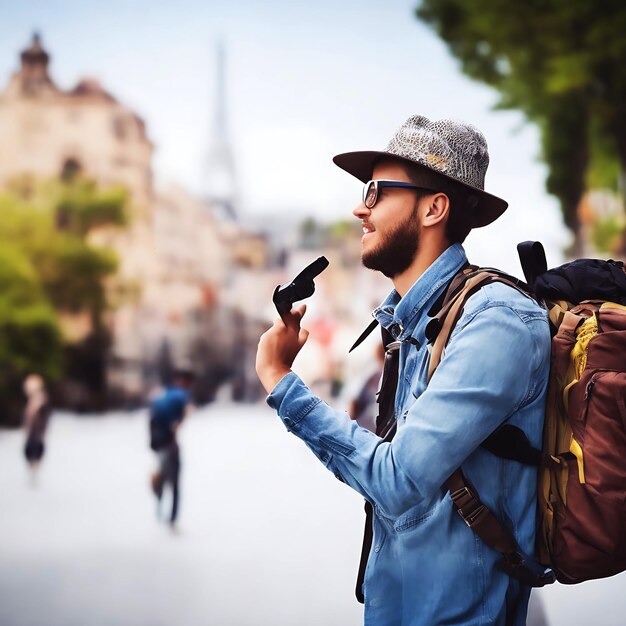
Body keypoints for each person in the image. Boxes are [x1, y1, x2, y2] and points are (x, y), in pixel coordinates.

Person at [256, 115, 551, 625]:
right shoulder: (412, 324)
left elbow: (396, 480)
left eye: (375, 192)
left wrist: (283, 384)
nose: (359, 207)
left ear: (434, 207)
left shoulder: (497, 322)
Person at [149, 369, 193, 528]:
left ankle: (160, 508)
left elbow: (153, 411)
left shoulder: (165, 392)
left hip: (157, 440)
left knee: (164, 474)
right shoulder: (182, 396)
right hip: (168, 441)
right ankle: (172, 518)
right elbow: (182, 418)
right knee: (174, 479)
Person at [22, 373, 52, 482]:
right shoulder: (33, 400)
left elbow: (42, 418)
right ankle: (32, 471)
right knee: (29, 451)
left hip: (36, 432)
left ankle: (34, 471)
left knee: (34, 450)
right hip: (33, 432)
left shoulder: (40, 400)